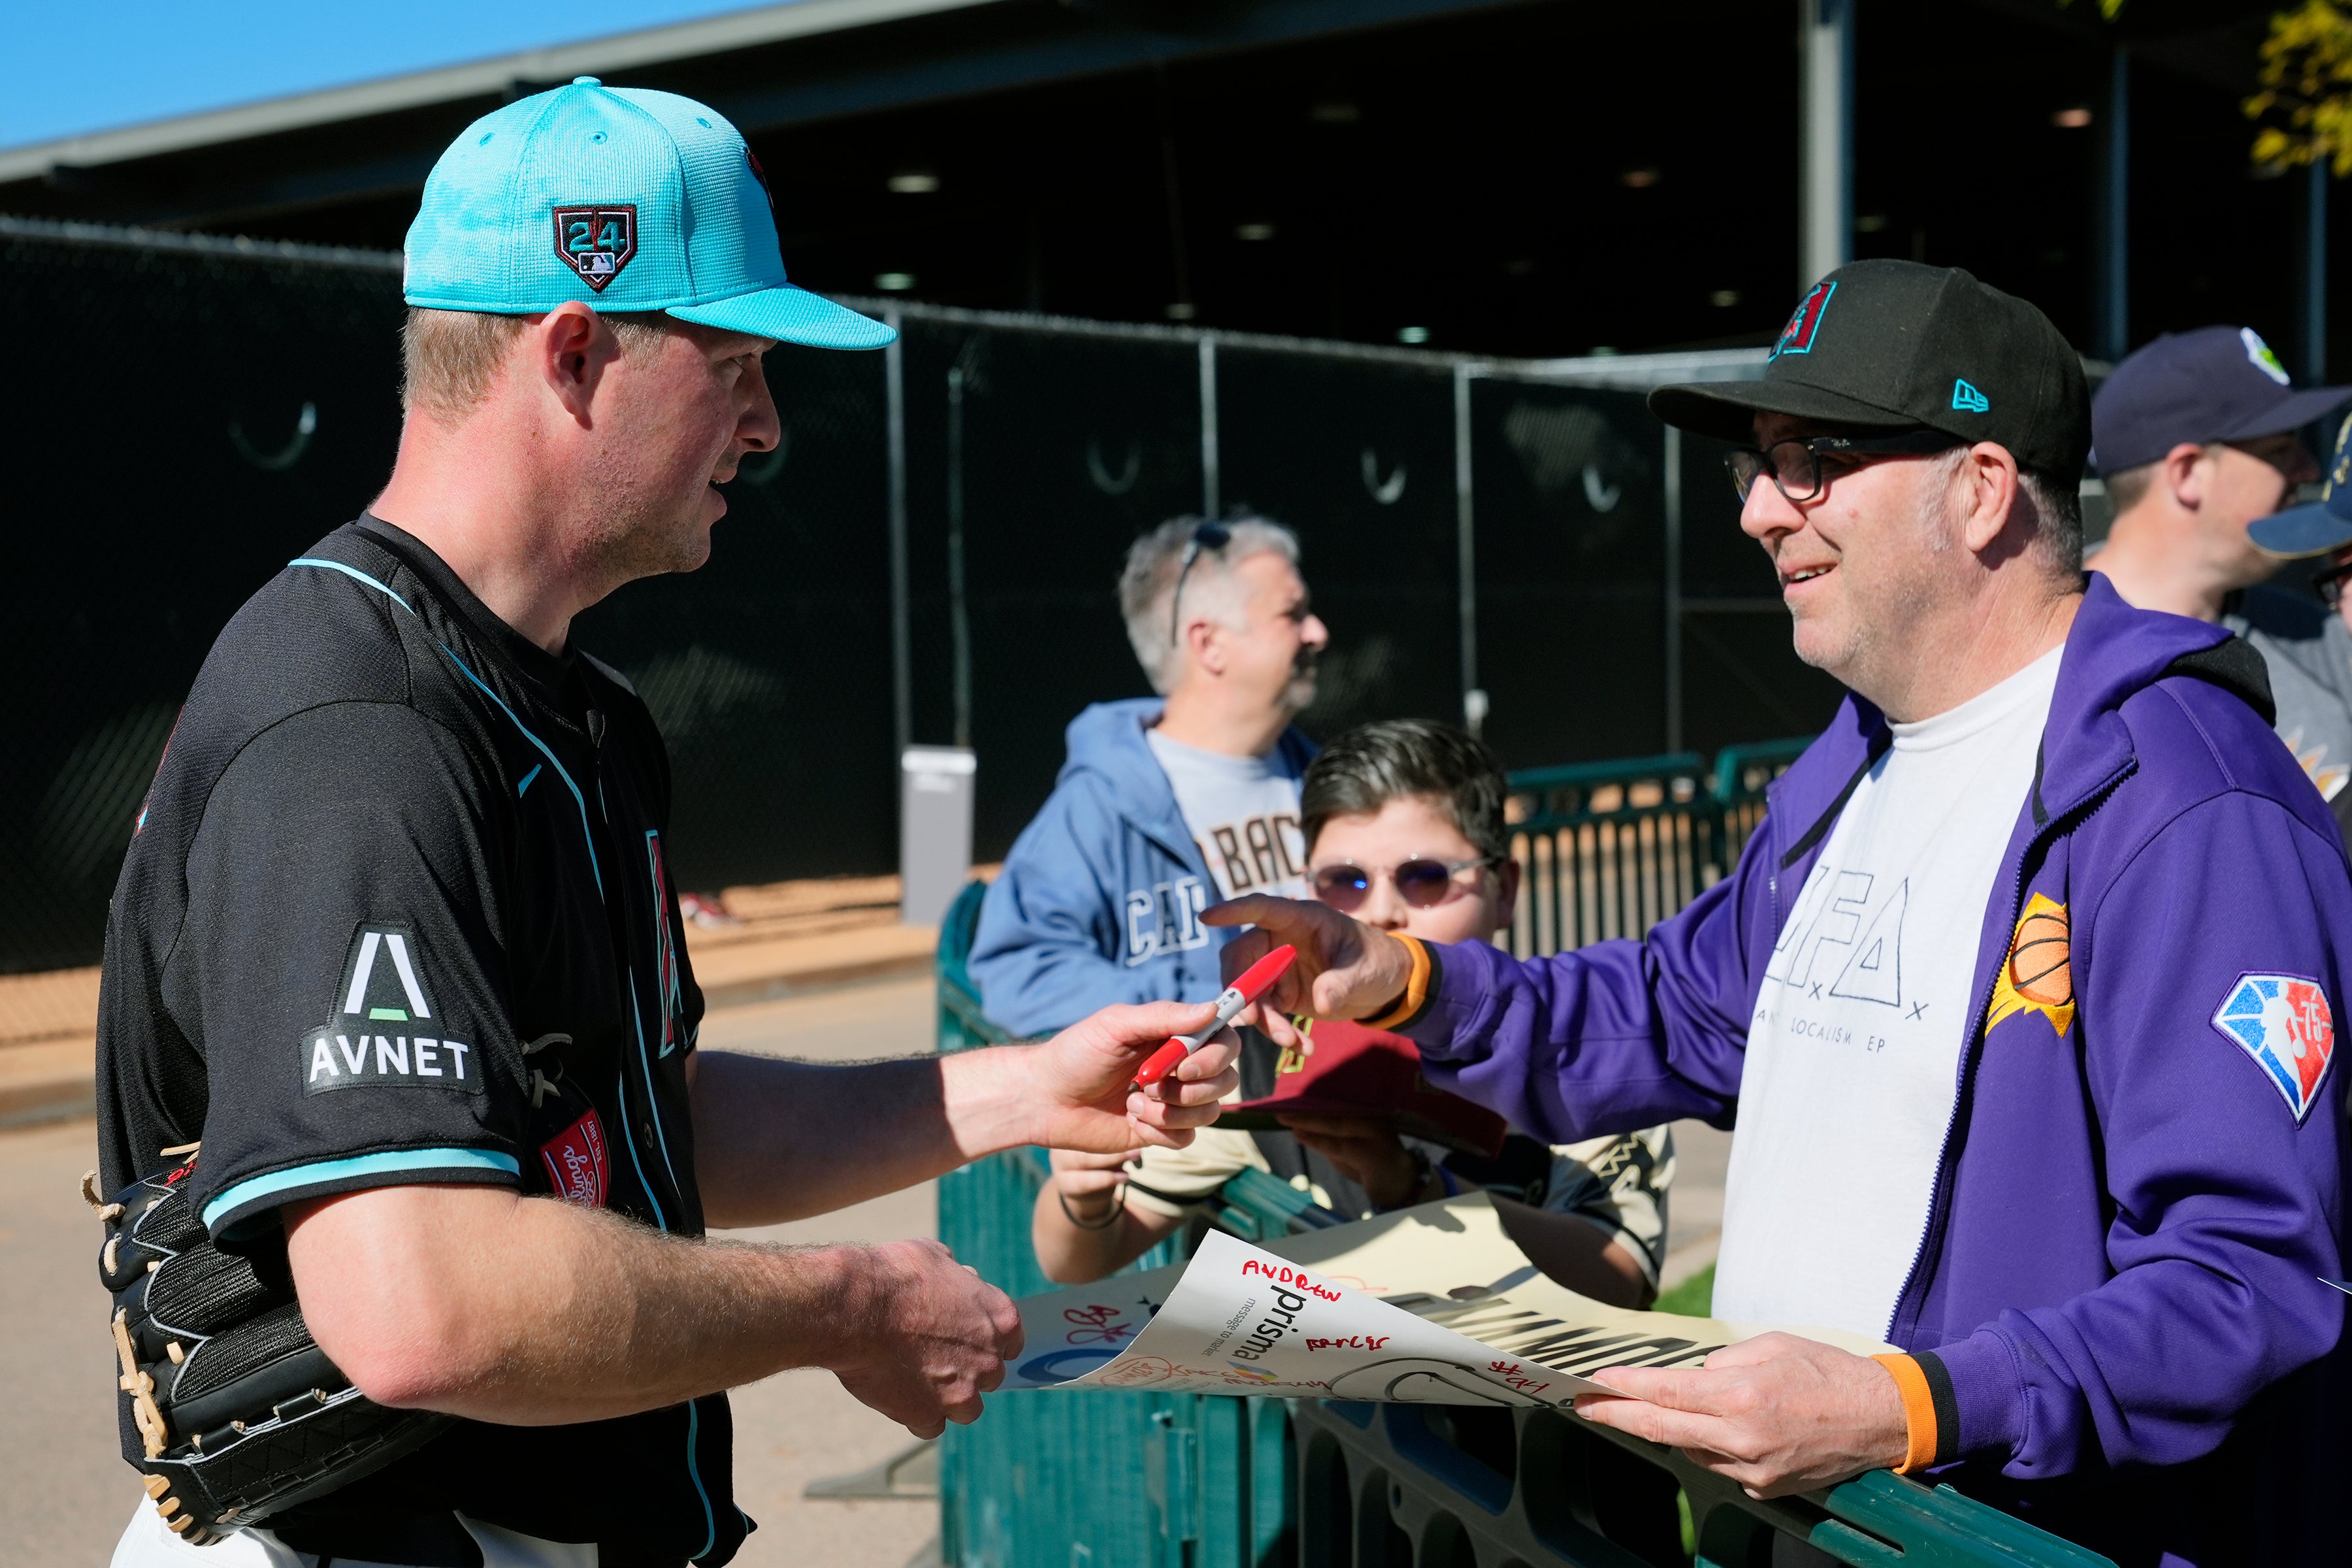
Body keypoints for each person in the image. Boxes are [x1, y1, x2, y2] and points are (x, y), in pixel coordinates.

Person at [94, 80, 1241, 1568]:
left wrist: (1026, 1087)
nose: (764, 423)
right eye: (737, 362)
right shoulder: (360, 733)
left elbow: (643, 1122)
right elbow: (418, 1298)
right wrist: (852, 1301)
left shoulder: (561, 701)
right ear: (574, 353)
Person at [1209, 261, 2346, 1563]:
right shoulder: (1858, 758)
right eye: (1756, 463)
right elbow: (1669, 1009)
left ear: (1979, 491)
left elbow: (2248, 1282)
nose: (1758, 510)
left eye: (1812, 461)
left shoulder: (2187, 802)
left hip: (2009, 1534)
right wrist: (1403, 975)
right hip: (1799, 1529)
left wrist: (1908, 1406)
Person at [1032, 720, 1673, 1309]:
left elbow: (1622, 1279)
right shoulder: (1264, 1053)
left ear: (1504, 888)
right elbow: (1077, 1260)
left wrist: (1413, 1188)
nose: (1382, 913)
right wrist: (1082, 1195)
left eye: (1426, 877)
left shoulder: (1585, 1043)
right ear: (1311, 891)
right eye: (1346, 882)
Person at [968, 515, 1327, 1038]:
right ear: (1209, 644)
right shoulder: (1101, 804)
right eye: (1292, 614)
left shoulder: (1331, 783)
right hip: (1195, 1113)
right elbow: (1018, 974)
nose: (1318, 631)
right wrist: (1214, 995)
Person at [2083, 325, 2352, 830]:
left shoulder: (2315, 633)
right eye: (2279, 451)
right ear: (2188, 474)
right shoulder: (2039, 645)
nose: (2311, 469)